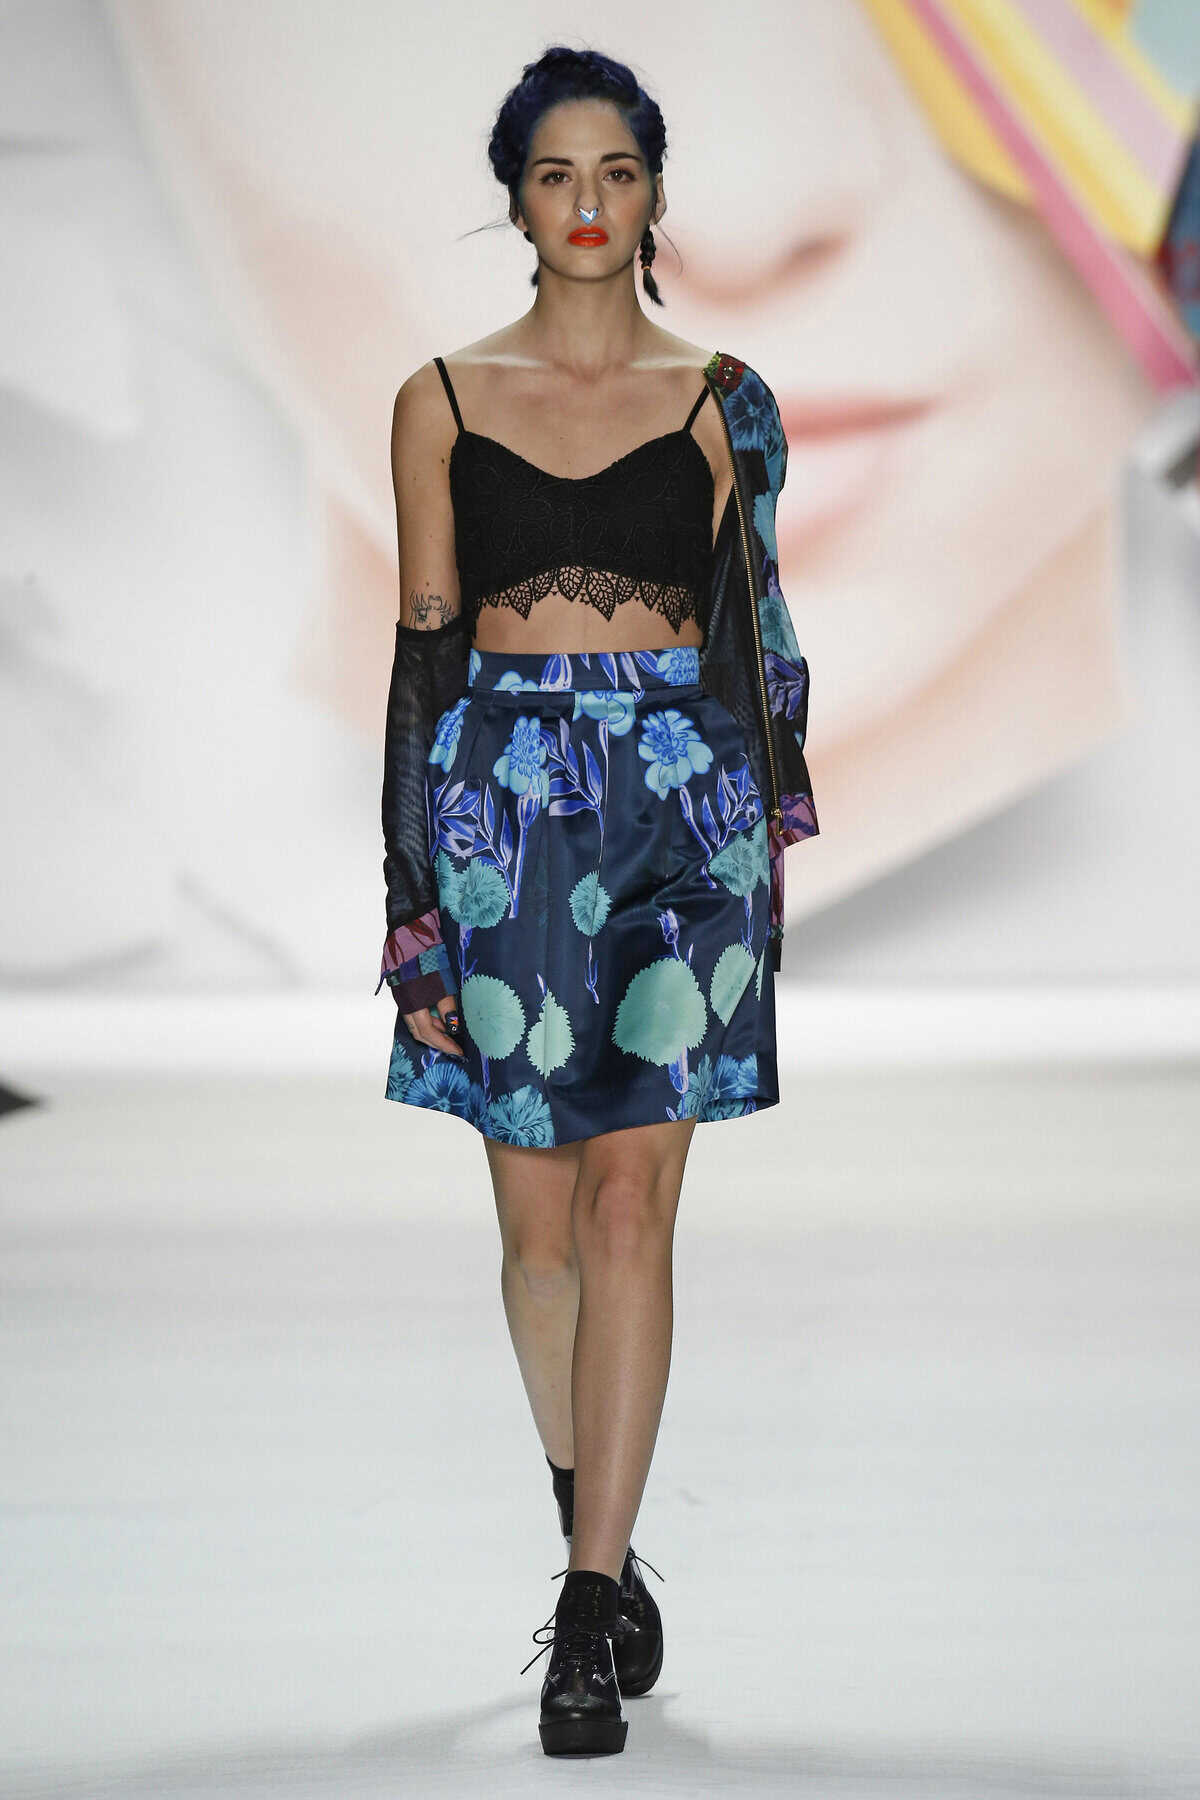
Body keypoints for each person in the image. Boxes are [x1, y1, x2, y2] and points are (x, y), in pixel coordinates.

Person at [376, 45, 818, 1758]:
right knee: (538, 1234)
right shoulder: (439, 398)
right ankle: (597, 1520)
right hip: (502, 814)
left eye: (617, 173)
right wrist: (413, 900)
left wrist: (761, 852)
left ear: (654, 194)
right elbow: (423, 657)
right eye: (557, 174)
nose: (587, 203)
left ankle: (582, 1610)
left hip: (684, 817)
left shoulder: (726, 400)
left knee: (634, 1211)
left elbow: (754, 635)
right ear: (515, 199)